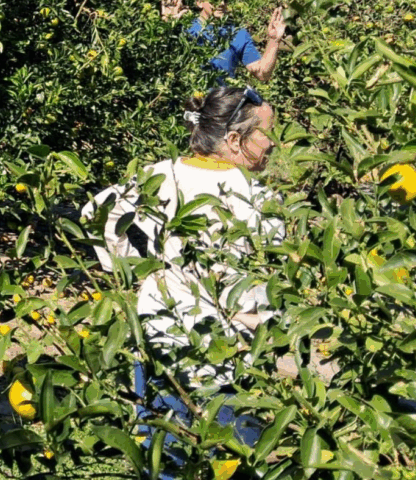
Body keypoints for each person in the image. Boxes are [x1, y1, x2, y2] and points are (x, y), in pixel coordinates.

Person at [88, 86, 285, 476]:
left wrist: (138, 267)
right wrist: (258, 320)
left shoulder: (159, 175)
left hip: (156, 332)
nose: (274, 143)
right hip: (222, 352)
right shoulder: (255, 200)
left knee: (164, 451)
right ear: (234, 139)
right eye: (268, 133)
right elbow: (259, 286)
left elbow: (98, 212)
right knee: (239, 457)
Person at [161, 0, 286, 82]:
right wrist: (166, 25)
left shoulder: (238, 34)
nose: (221, 3)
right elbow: (159, 59)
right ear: (199, 2)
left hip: (221, 106)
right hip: (188, 105)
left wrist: (274, 40)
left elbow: (262, 74)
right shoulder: (184, 27)